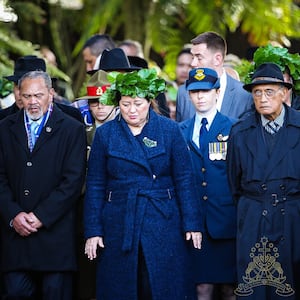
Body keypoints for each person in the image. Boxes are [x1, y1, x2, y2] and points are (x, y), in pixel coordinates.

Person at [84, 68, 203, 300]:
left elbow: (185, 179)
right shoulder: (106, 134)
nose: (132, 110)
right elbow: (96, 183)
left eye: (137, 103)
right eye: (126, 104)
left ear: (149, 101)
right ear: (118, 102)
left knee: (159, 285)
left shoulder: (169, 129)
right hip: (119, 220)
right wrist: (93, 230)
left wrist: (192, 223)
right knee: (124, 285)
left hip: (162, 218)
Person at [0, 70, 86, 299]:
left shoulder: (72, 128)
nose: (32, 102)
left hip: (54, 237)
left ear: (51, 94)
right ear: (19, 95)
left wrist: (41, 216)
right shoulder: (4, 127)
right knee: (16, 292)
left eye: (38, 95)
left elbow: (73, 181)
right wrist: (13, 214)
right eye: (27, 96)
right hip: (15, 237)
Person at [227, 62, 300, 299]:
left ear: (284, 93)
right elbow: (233, 183)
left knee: (289, 284)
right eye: (257, 92)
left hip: (292, 219)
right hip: (253, 218)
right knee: (254, 287)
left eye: (269, 92)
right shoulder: (240, 131)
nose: (262, 98)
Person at [180, 68, 237, 300]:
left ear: (217, 92)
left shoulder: (234, 128)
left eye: (205, 91)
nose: (200, 96)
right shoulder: (179, 130)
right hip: (194, 224)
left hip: (226, 222)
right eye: (194, 92)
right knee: (200, 289)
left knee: (230, 289)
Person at [175, 31, 253, 122]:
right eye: (192, 57)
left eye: (199, 58)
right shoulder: (183, 92)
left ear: (217, 59)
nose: (192, 64)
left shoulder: (244, 95)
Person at [0, 55, 83, 123]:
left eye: (36, 92)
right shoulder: (2, 119)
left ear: (49, 91)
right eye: (19, 87)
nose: (24, 93)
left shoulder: (71, 116)